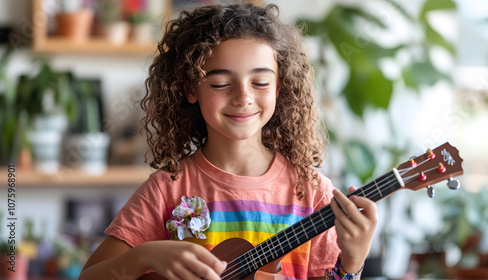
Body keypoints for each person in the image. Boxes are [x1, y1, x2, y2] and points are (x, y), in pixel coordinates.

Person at [78, 3, 377, 280]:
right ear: (190, 87)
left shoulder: (312, 194)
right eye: (221, 83)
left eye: (260, 82)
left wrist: (352, 262)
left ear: (279, 87)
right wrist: (142, 256)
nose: (243, 97)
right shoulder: (166, 190)